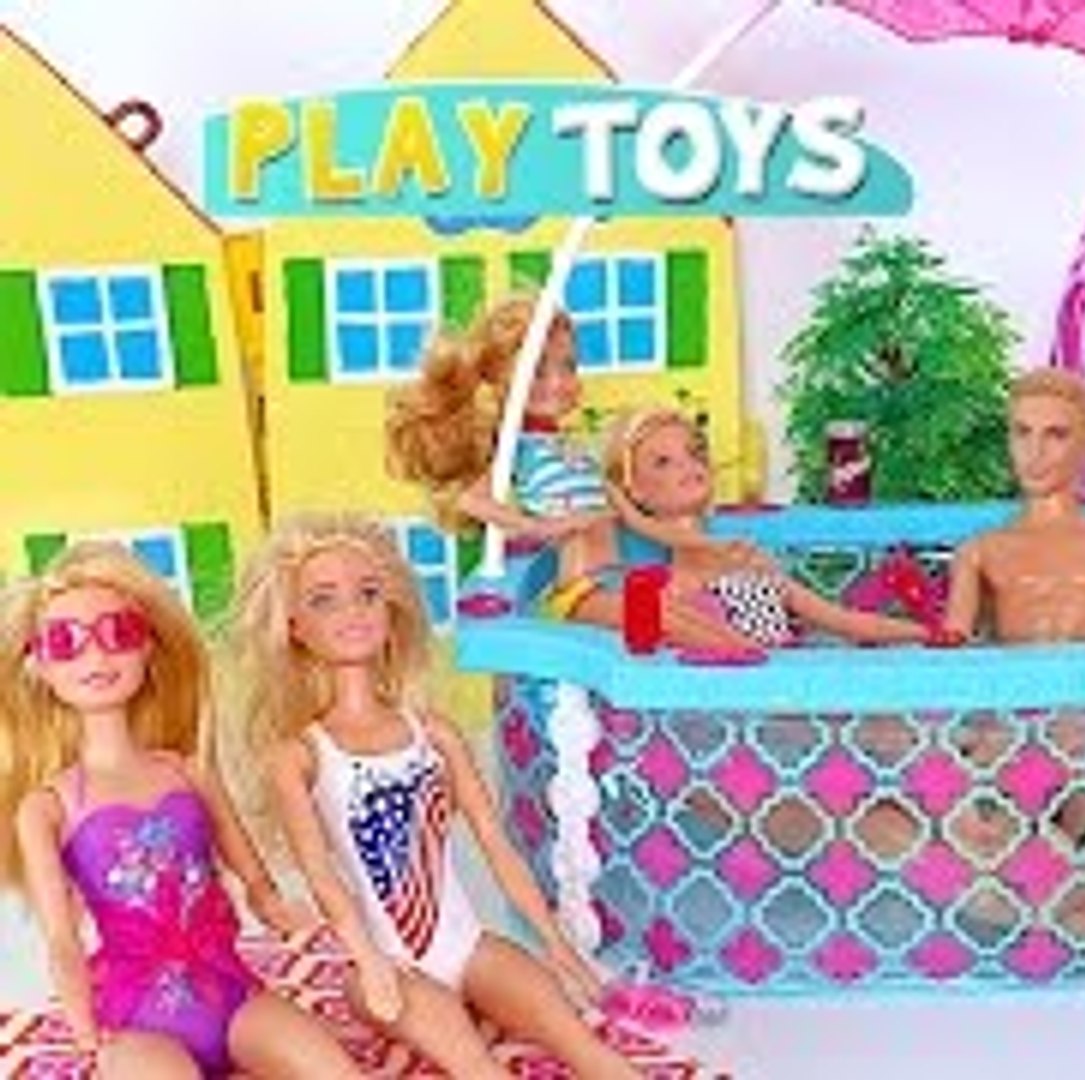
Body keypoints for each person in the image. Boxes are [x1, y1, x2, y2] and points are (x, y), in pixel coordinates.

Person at [231, 514, 639, 1078]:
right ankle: (458, 1025)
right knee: (477, 1067)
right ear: (294, 627)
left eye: (368, 594)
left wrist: (555, 941)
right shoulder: (300, 754)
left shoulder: (433, 733)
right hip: (389, 966)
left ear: (392, 608)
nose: (352, 612)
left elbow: (495, 844)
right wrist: (369, 962)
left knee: (581, 1042)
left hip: (469, 946)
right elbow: (322, 877)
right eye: (324, 600)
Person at [0, 542, 362, 1078]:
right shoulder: (46, 806)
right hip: (136, 1018)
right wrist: (85, 1033)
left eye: (118, 633)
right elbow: (60, 938)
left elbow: (253, 875)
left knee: (337, 1071)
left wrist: (276, 906)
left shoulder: (188, 771)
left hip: (232, 993)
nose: (97, 658)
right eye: (66, 642)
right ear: (39, 667)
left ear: (149, 648)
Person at [384, 294, 753, 630]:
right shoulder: (519, 449)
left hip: (620, 577)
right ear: (498, 382)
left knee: (696, 613)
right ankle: (744, 666)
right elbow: (469, 500)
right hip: (580, 590)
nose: (559, 383)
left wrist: (711, 546)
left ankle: (749, 663)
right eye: (538, 372)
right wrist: (538, 527)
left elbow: (637, 522)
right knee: (669, 621)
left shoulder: (575, 452)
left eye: (569, 366)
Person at [607, 406, 931, 650]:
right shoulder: (667, 595)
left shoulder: (750, 565)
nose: (688, 466)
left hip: (792, 698)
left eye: (695, 453)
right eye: (662, 462)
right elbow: (676, 538)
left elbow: (839, 620)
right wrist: (629, 514)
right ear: (635, 490)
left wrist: (928, 634)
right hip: (723, 710)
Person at [941, 368, 1085, 644]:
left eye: (1056, 435)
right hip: (1011, 672)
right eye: (1022, 433)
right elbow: (952, 648)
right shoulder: (978, 552)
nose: (1035, 453)